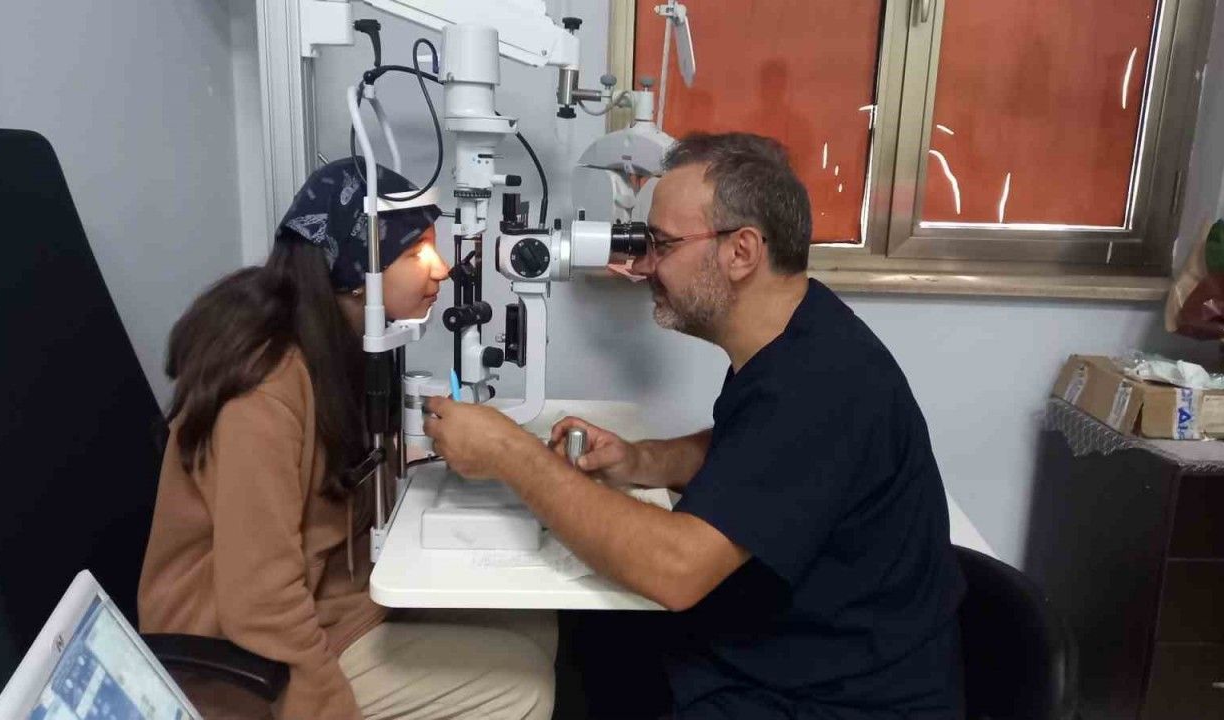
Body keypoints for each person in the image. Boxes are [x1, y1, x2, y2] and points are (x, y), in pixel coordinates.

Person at [423, 133, 966, 719]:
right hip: (779, 655)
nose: (645, 264)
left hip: (828, 701)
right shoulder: (801, 336)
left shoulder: (822, 386)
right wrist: (641, 460)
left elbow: (675, 570)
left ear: (741, 251)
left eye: (663, 244)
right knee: (570, 642)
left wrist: (511, 454)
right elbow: (753, 453)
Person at [139, 158, 556, 720]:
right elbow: (259, 604)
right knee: (522, 688)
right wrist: (330, 706)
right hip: (247, 656)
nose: (442, 269)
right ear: (359, 275)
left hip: (337, 594)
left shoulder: (343, 346)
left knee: (533, 620)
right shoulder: (260, 396)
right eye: (416, 254)